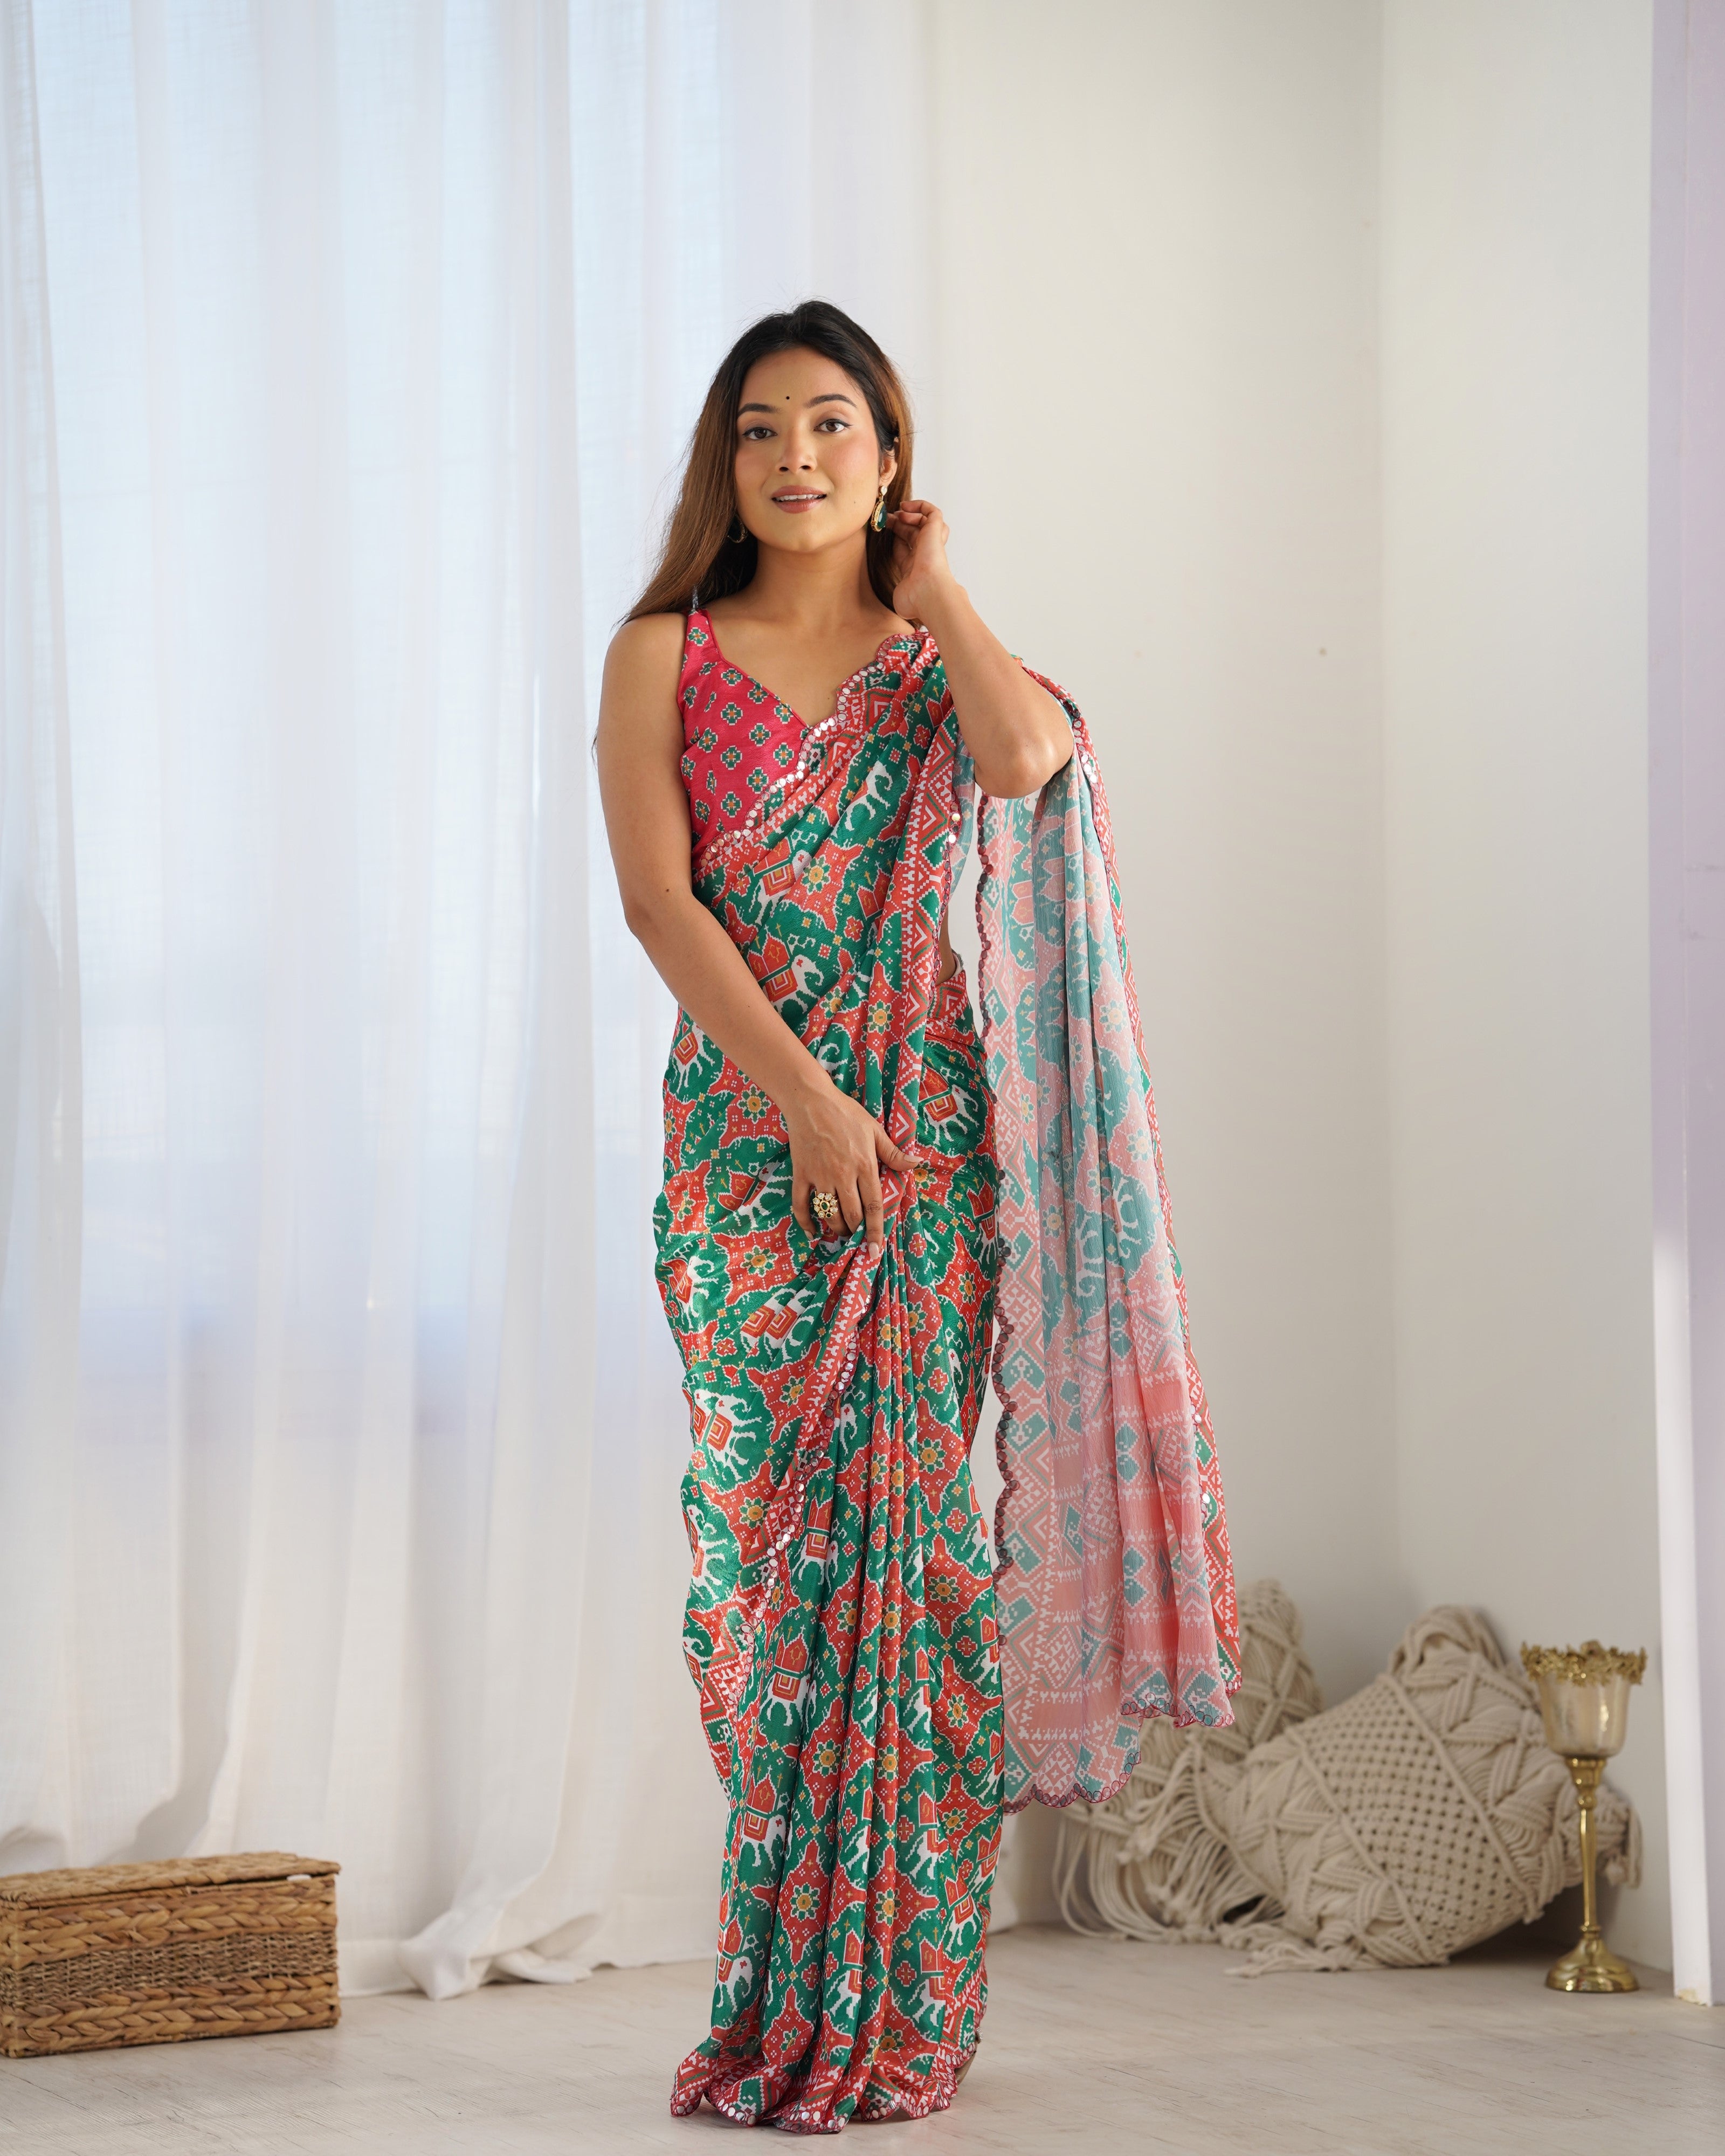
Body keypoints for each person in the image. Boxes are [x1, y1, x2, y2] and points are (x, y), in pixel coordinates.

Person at [597, 301, 1239, 2132]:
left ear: (888, 458)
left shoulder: (921, 663)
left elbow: (1033, 764)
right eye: (759, 432)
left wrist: (938, 591)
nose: (794, 460)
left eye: (833, 428)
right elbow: (662, 905)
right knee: (765, 1579)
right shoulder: (665, 655)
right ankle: (777, 1999)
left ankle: (906, 2009)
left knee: (915, 1572)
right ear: (724, 466)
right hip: (750, 1148)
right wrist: (809, 1102)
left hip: (927, 1164)